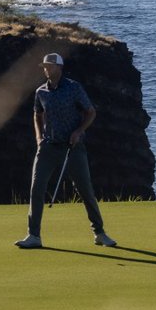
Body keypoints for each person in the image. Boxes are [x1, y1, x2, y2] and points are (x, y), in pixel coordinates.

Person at [15, 52, 117, 249]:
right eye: (44, 66)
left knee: (85, 190)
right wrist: (38, 137)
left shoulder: (73, 88)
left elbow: (91, 112)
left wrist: (79, 131)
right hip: (48, 147)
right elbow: (37, 114)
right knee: (37, 189)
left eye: (49, 66)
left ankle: (99, 233)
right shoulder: (40, 92)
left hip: (73, 147)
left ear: (59, 68)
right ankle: (33, 235)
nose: (46, 69)